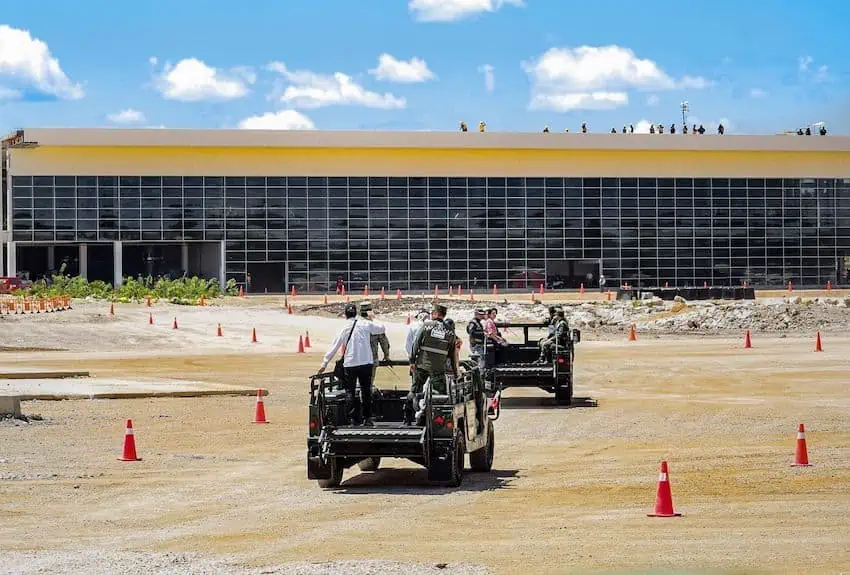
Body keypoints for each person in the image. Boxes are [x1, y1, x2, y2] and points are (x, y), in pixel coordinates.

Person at [317, 302, 387, 426]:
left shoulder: (343, 328)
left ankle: (353, 419)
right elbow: (381, 328)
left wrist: (324, 363)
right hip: (366, 363)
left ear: (345, 315)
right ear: (356, 313)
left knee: (350, 391)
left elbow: (334, 346)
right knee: (366, 391)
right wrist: (373, 317)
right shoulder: (365, 324)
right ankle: (367, 418)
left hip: (350, 364)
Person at [407, 303, 458, 425]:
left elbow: (416, 344)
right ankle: (432, 420)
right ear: (444, 315)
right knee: (438, 395)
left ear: (435, 314)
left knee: (414, 390)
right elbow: (452, 355)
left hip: (422, 365)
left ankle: (409, 418)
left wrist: (412, 361)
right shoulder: (450, 332)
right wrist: (456, 372)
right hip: (438, 368)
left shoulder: (426, 326)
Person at [359, 301, 391, 382]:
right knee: (368, 383)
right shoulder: (376, 326)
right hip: (371, 359)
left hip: (357, 359)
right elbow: (384, 343)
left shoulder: (355, 323)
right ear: (371, 311)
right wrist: (386, 355)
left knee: (358, 382)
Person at [466, 308, 488, 374]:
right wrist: (483, 333)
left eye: (482, 315)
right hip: (476, 345)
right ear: (476, 314)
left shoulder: (479, 322)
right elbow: (471, 332)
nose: (482, 316)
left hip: (479, 344)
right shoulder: (473, 323)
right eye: (480, 315)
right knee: (479, 360)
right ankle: (478, 374)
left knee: (481, 360)